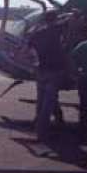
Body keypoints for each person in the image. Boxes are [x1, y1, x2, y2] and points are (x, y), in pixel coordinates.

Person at [29, 10, 64, 140]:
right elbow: (70, 21)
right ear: (55, 19)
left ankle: (58, 119)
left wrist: (34, 63)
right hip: (54, 70)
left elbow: (28, 46)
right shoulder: (56, 30)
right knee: (48, 101)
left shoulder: (38, 33)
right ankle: (41, 130)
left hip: (41, 69)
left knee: (41, 99)